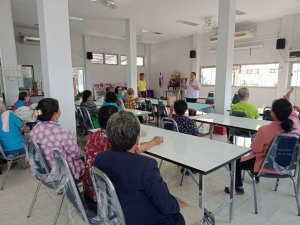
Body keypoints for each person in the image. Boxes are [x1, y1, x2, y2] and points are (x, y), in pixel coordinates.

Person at [94, 111, 204, 225]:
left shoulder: (100, 158)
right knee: (198, 213)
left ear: (110, 137)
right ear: (137, 140)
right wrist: (175, 204)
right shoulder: (145, 166)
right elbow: (166, 205)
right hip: (148, 220)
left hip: (117, 217)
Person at [83, 106, 163, 201]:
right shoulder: (116, 141)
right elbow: (136, 151)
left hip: (89, 188)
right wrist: (153, 142)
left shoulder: (94, 135)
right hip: (106, 197)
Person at [224, 98, 300, 195]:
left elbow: (255, 149)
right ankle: (256, 177)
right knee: (259, 156)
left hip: (264, 166)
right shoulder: (296, 126)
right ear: (290, 112)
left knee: (234, 161)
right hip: (288, 167)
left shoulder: (264, 130)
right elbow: (292, 114)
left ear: (272, 112)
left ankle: (239, 188)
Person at [30, 98, 84, 180]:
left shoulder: (34, 130)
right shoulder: (63, 133)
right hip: (64, 172)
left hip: (44, 170)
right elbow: (77, 155)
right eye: (59, 109)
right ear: (55, 114)